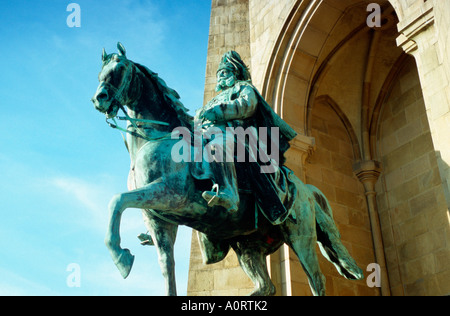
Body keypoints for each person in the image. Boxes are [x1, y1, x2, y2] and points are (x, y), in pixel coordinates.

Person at [195, 51, 297, 215]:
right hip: (207, 134)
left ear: (234, 73)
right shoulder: (215, 98)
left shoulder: (244, 88)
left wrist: (218, 111)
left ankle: (229, 193)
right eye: (219, 73)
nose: (221, 75)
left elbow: (246, 105)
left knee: (217, 147)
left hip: (238, 136)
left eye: (225, 72)